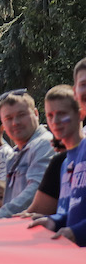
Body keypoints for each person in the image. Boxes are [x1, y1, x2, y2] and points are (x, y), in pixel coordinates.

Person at [0, 91, 55, 219]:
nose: (15, 122)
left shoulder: (45, 144)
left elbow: (36, 190)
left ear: (36, 114)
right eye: (8, 118)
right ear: (3, 124)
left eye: (21, 115)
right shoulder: (14, 155)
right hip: (18, 228)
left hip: (41, 232)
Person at [29, 85, 86, 244]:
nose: (55, 121)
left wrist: (77, 232)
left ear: (80, 114)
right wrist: (53, 221)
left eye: (62, 114)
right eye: (50, 115)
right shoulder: (64, 162)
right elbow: (74, 211)